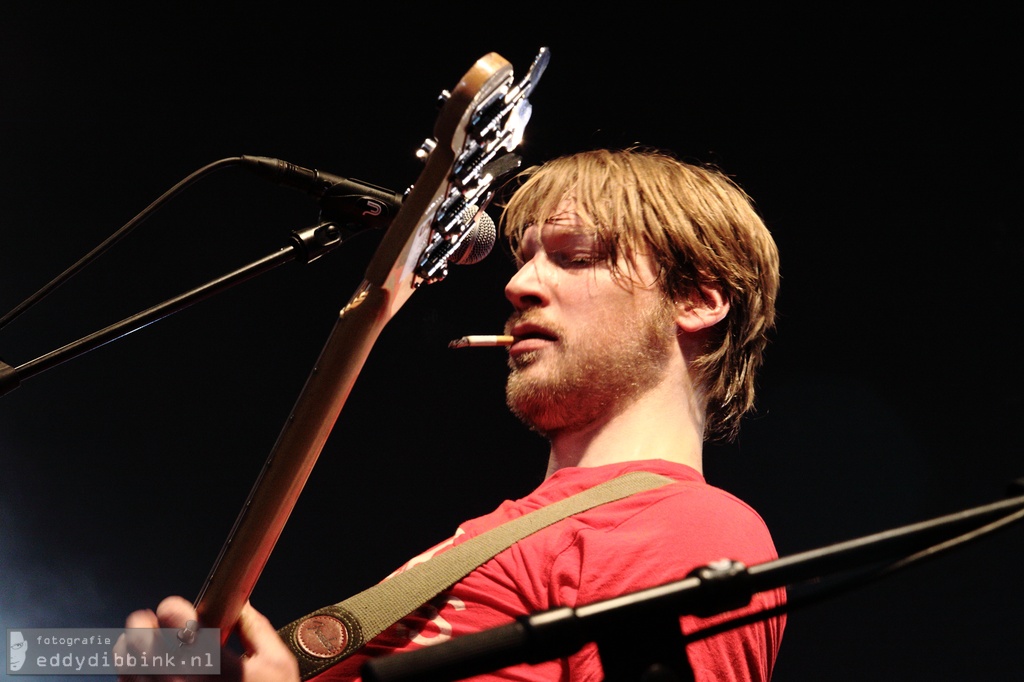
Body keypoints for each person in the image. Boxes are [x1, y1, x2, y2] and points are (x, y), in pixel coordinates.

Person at [121, 148, 785, 681]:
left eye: (575, 257)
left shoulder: (688, 530)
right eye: (524, 257)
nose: (517, 284)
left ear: (697, 299)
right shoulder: (499, 534)